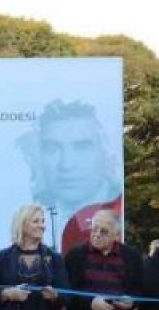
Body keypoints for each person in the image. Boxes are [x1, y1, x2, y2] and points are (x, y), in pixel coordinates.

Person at [30, 100, 123, 251]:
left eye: (82, 147)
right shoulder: (35, 214)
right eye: (53, 148)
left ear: (105, 151)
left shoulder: (118, 212)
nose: (66, 164)